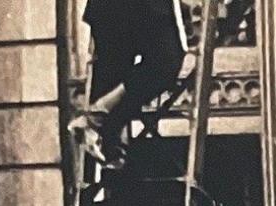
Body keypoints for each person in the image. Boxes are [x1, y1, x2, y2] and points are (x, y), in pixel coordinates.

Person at [69, 0, 188, 168]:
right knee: (167, 62)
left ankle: (101, 128)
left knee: (116, 73)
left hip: (109, 9)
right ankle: (99, 117)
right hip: (141, 8)